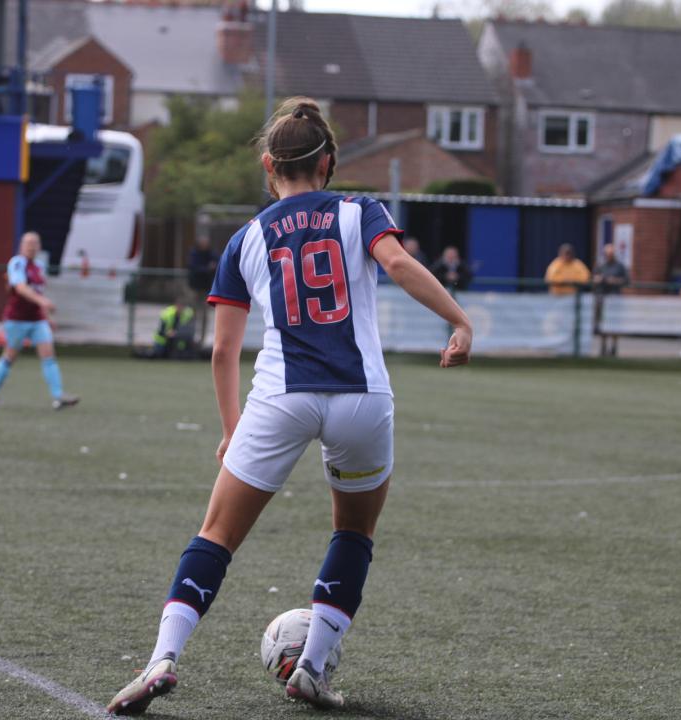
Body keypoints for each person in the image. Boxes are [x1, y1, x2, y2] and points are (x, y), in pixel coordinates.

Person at [106, 97, 472, 715]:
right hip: (361, 399)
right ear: (328, 161)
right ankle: (312, 668)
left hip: (279, 398)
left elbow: (223, 352)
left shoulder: (246, 237)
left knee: (217, 535)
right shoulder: (361, 211)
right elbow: (401, 264)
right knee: (354, 531)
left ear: (269, 166)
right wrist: (457, 322)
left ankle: (161, 661)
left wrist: (231, 429)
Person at [0, 231, 79, 410]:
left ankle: (58, 397)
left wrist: (47, 316)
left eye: (35, 243)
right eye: (28, 243)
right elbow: (20, 288)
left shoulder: (40, 267)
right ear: (21, 246)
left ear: (39, 246)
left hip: (37, 320)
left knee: (49, 355)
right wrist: (43, 302)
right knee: (9, 356)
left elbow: (38, 292)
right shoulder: (17, 263)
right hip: (16, 319)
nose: (31, 246)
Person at [592, 243, 629, 356]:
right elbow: (593, 279)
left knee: (614, 324)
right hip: (602, 297)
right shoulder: (600, 266)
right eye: (607, 254)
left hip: (615, 298)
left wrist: (614, 280)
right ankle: (603, 347)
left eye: (611, 254)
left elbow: (626, 281)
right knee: (602, 324)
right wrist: (598, 279)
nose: (609, 256)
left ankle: (614, 347)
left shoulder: (620, 266)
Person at [187, 233, 219, 343]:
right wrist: (207, 268)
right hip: (194, 287)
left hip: (207, 289)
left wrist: (207, 269)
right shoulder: (194, 253)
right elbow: (195, 268)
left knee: (205, 314)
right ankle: (191, 337)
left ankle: (202, 339)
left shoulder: (211, 253)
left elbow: (217, 264)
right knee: (192, 313)